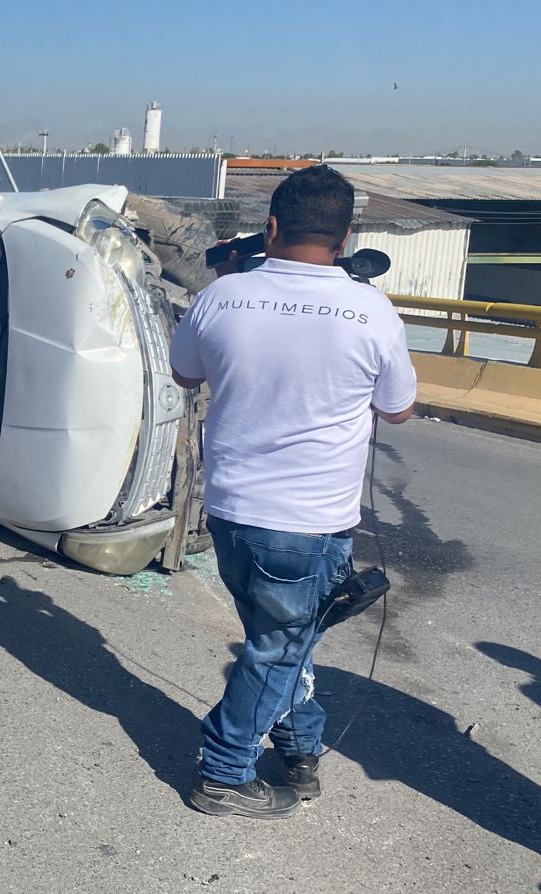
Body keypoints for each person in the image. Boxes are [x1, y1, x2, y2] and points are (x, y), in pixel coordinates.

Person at [169, 165, 417, 819]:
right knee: (279, 646)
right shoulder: (371, 310)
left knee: (280, 640)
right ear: (346, 235)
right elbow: (397, 410)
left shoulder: (222, 297)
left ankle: (300, 747)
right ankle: (222, 773)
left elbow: (182, 370)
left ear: (271, 227)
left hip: (229, 515)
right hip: (308, 525)